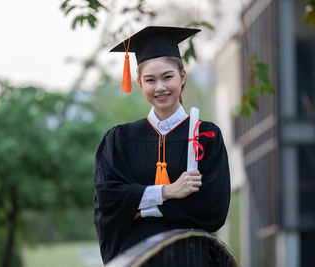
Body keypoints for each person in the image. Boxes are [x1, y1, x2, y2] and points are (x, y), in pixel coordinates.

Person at [93, 26, 231, 264]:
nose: (160, 87)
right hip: (139, 258)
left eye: (168, 77)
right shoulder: (120, 140)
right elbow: (108, 200)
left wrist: (139, 208)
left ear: (183, 77)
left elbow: (212, 208)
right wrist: (168, 191)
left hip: (191, 258)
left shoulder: (206, 136)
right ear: (139, 82)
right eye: (150, 80)